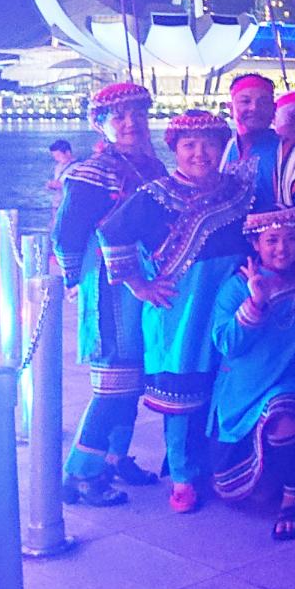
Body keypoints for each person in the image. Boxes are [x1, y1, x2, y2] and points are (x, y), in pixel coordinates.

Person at [98, 109, 254, 514]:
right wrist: (138, 284)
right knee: (181, 392)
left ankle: (216, 464)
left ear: (223, 148)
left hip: (230, 303)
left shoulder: (240, 193)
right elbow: (111, 231)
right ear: (175, 150)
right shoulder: (156, 194)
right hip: (179, 309)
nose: (199, 153)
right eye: (189, 145)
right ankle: (183, 476)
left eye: (209, 145)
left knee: (223, 384)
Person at [54, 82, 168, 505]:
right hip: (109, 283)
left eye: (137, 114)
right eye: (118, 116)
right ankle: (81, 473)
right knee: (113, 380)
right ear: (100, 124)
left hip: (145, 280)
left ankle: (116, 457)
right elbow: (67, 231)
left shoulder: (151, 167)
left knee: (133, 378)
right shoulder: (91, 171)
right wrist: (73, 280)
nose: (130, 123)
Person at [208, 206, 295, 541]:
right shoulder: (237, 288)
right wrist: (255, 303)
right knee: (253, 494)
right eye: (271, 240)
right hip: (243, 393)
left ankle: (293, 502)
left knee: (283, 411)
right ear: (256, 244)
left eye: (289, 239)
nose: (281, 248)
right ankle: (280, 475)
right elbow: (227, 344)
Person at [220, 74, 295, 235]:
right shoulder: (228, 148)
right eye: (245, 101)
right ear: (230, 108)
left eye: (263, 102)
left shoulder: (293, 155)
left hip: (280, 255)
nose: (254, 108)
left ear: (273, 110)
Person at [47, 138, 78, 212]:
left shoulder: (78, 167)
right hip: (57, 204)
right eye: (54, 157)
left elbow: (77, 188)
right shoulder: (58, 167)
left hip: (69, 206)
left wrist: (60, 186)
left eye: (58, 156)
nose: (56, 159)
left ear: (67, 153)